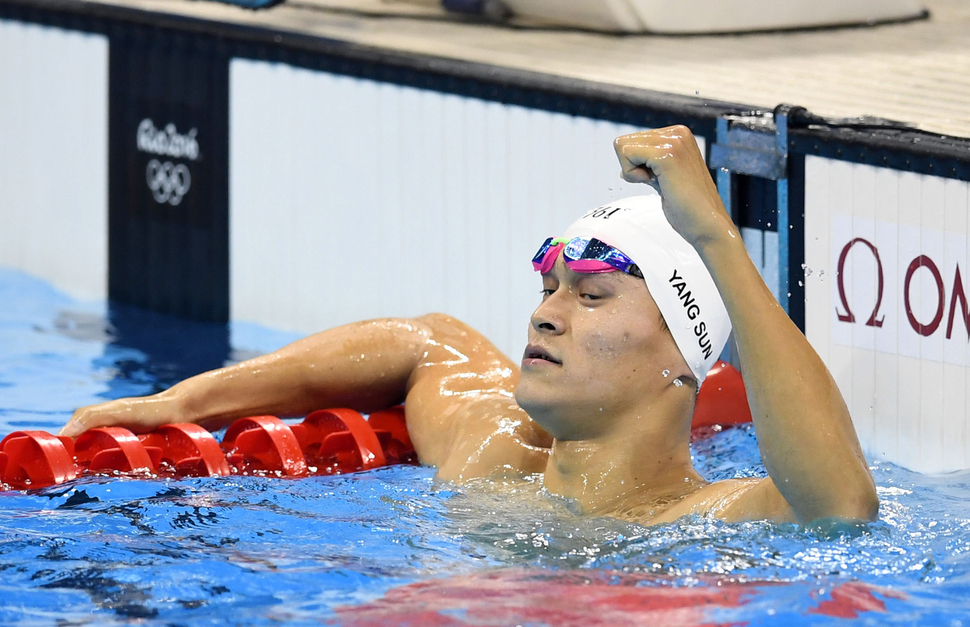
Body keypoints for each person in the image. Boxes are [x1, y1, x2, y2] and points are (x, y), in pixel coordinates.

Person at [60, 126, 878, 526]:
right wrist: (179, 405)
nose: (546, 311)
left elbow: (841, 505)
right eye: (550, 286)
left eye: (590, 297)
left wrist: (714, 239)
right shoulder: (497, 455)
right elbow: (429, 339)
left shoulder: (699, 522)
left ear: (680, 361)